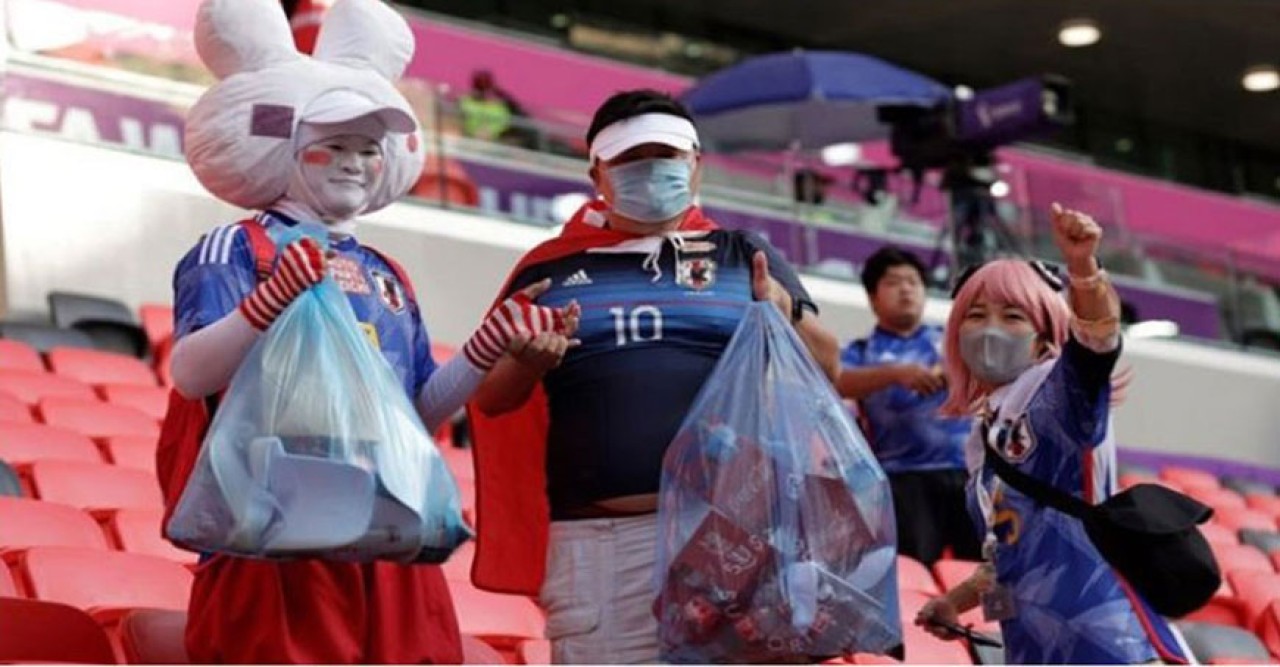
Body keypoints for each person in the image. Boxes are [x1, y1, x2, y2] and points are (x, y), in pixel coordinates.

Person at [166, 0, 577, 662]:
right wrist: (270, 300)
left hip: (387, 537)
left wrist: (487, 344)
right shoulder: (235, 248)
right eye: (334, 146)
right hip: (275, 538)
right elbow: (190, 373)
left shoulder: (385, 272)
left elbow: (415, 412)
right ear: (290, 148)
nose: (355, 162)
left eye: (368, 147)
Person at [466, 89, 843, 664]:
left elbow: (827, 368)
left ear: (694, 164)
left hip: (731, 539)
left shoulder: (743, 254)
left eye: (665, 156)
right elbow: (491, 400)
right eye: (630, 159)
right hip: (600, 549)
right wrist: (527, 361)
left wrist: (778, 309)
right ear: (597, 170)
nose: (651, 170)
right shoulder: (550, 266)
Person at [914, 204, 1187, 664]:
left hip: (1107, 641)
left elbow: (1097, 339)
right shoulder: (985, 438)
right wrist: (954, 603)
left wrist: (1083, 269)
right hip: (1033, 649)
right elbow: (1011, 563)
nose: (989, 330)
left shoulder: (1063, 396)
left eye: (1013, 317)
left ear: (1045, 340)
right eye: (976, 315)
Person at [837, 246, 981, 566]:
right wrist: (896, 374)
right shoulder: (861, 351)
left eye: (913, 282)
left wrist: (953, 370)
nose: (905, 289)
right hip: (903, 479)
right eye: (893, 283)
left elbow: (992, 366)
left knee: (981, 571)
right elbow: (838, 381)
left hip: (968, 471)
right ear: (873, 297)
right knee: (911, 570)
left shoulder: (954, 341)